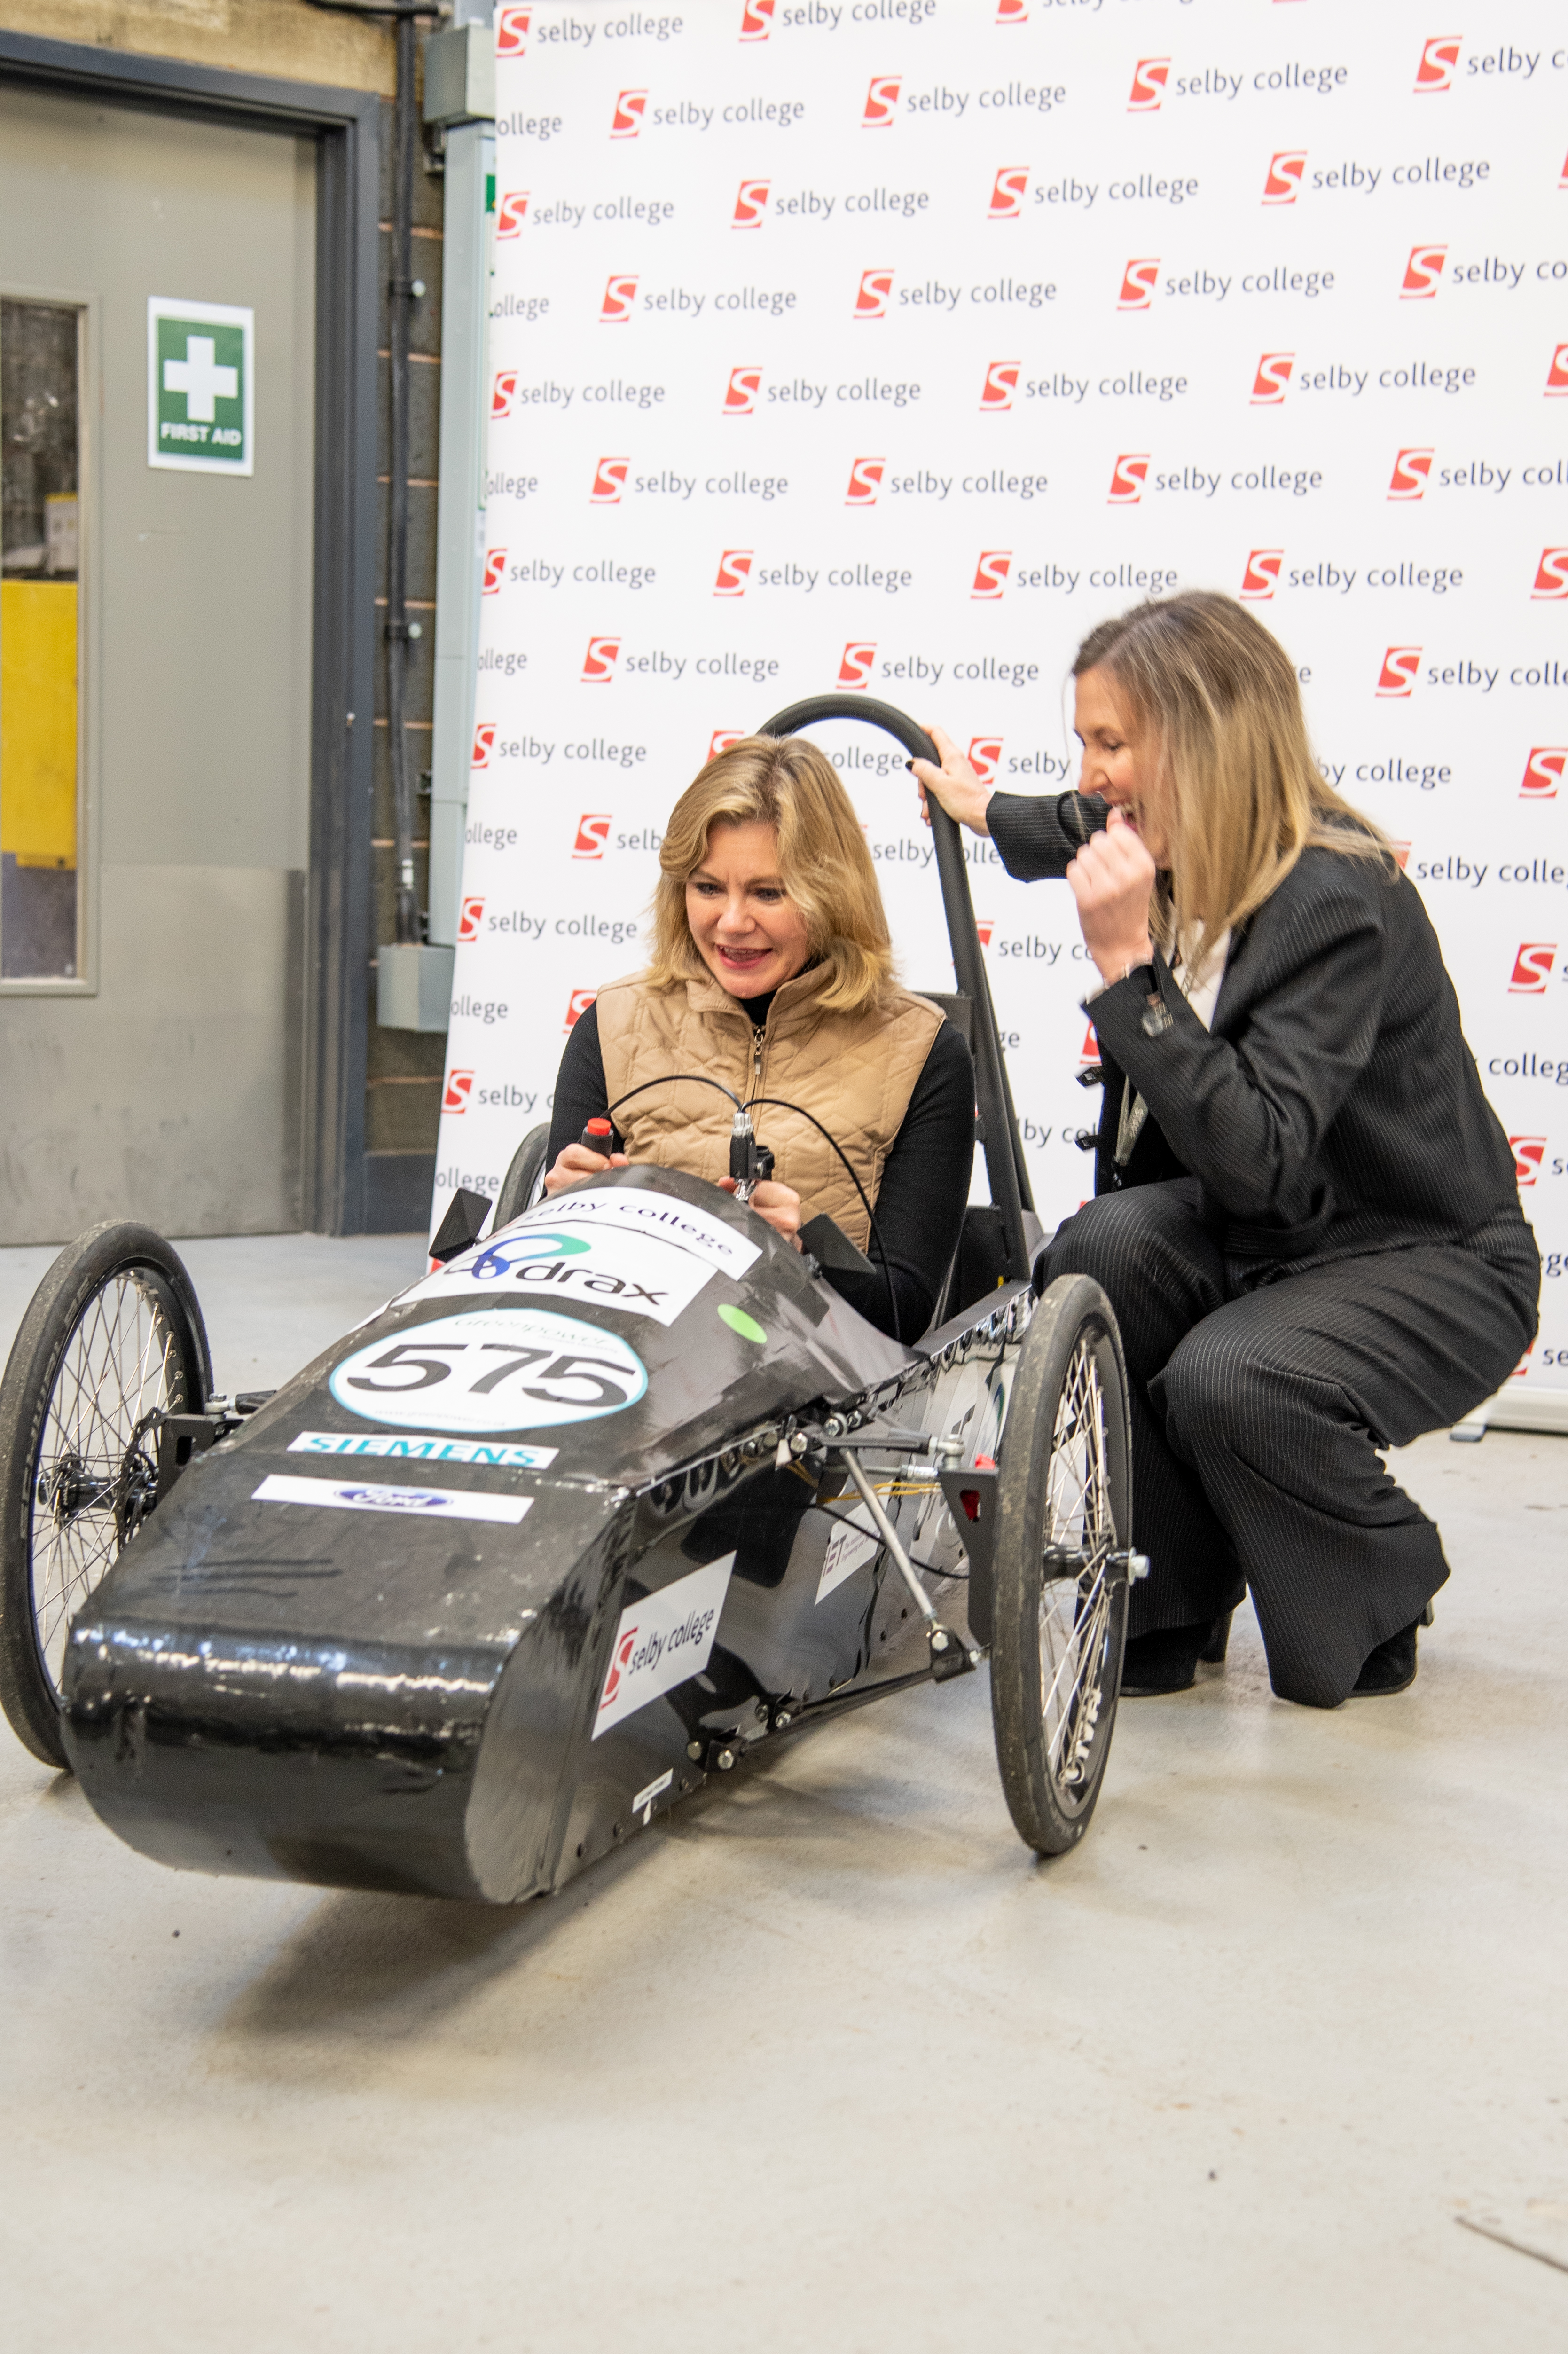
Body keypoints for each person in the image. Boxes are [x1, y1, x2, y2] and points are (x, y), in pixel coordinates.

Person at [913, 591, 1539, 1708]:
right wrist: (982, 807)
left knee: (1227, 1378)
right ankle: (1166, 1597)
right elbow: (1074, 820)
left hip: (1424, 1254)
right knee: (1096, 1252)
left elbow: (1261, 1162)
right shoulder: (1175, 833)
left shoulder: (1334, 897)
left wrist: (1127, 973)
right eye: (1083, 741)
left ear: (1200, 743)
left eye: (1112, 742)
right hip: (1280, 1231)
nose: (1092, 773)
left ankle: (1381, 1581)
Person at [545, 733, 975, 1341]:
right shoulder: (614, 1023)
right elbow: (554, 1273)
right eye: (707, 888)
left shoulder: (925, 1054)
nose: (732, 923)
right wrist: (562, 1211)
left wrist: (804, 1255)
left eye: (768, 893)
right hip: (620, 1356)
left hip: (807, 1384)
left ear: (831, 893)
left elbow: (904, 1317)